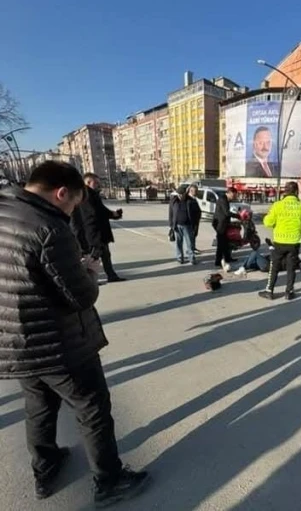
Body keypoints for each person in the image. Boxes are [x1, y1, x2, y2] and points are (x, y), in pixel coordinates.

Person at [0, 161, 149, 507]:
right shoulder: (49, 228)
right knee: (92, 408)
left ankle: (45, 467)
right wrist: (89, 272)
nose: (72, 212)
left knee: (38, 406)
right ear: (61, 192)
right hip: (57, 344)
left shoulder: (5, 210)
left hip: (13, 341)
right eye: (73, 204)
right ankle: (110, 481)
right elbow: (81, 296)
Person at [259, 181, 301, 300]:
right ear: (297, 192)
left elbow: (267, 222)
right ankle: (289, 292)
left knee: (274, 266)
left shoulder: (277, 205)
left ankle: (269, 291)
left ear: (285, 192)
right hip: (294, 243)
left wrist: (270, 217)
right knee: (291, 268)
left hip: (279, 242)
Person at [72, 173, 125, 283]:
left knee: (104, 254)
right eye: (95, 183)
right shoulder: (86, 194)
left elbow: (100, 209)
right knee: (94, 256)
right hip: (93, 230)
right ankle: (88, 280)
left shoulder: (88, 193)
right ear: (87, 182)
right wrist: (112, 214)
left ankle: (111, 275)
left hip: (96, 229)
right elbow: (96, 211)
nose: (98, 185)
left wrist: (113, 214)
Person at [168, 185, 201, 264]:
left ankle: (192, 258)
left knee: (189, 243)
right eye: (180, 194)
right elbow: (171, 213)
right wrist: (171, 225)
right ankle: (180, 258)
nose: (181, 196)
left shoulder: (190, 200)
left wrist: (195, 223)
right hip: (177, 225)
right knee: (179, 243)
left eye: (182, 194)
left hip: (188, 225)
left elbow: (198, 212)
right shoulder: (174, 200)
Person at [213, 187, 238, 270]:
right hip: (220, 225)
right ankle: (218, 261)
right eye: (234, 195)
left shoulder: (226, 200)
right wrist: (237, 216)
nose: (234, 197)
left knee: (227, 243)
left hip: (224, 224)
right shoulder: (223, 199)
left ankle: (228, 258)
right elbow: (226, 213)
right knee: (221, 244)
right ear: (230, 193)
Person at [187, 184, 202, 254]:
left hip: (196, 221)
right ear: (191, 191)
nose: (197, 192)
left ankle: (193, 247)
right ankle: (190, 250)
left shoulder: (194, 198)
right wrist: (191, 222)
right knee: (191, 236)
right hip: (191, 222)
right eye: (196, 191)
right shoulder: (188, 200)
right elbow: (189, 212)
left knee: (194, 235)